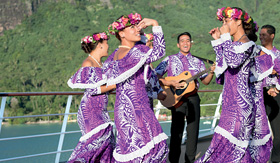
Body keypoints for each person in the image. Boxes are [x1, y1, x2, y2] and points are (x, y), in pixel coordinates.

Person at [196, 7, 273, 162]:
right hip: (229, 103)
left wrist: (224, 38)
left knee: (232, 149)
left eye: (226, 21)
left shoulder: (248, 44)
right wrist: (218, 43)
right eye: (222, 21)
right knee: (228, 150)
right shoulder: (233, 45)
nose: (223, 24)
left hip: (241, 106)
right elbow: (221, 74)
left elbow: (233, 61)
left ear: (238, 22)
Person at [103, 13, 169, 162]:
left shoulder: (112, 57)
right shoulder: (136, 53)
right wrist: (154, 22)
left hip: (121, 112)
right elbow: (160, 51)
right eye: (132, 27)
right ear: (121, 33)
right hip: (138, 108)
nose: (137, 29)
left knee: (132, 151)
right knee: (154, 151)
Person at [155, 32, 216, 163]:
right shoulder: (169, 60)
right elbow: (156, 75)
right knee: (176, 132)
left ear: (191, 43)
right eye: (182, 41)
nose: (185, 43)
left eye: (188, 40)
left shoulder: (198, 61)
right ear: (178, 44)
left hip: (193, 98)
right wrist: (169, 83)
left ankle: (190, 161)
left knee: (193, 132)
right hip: (176, 99)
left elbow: (205, 81)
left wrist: (211, 72)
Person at [67, 32, 116, 163]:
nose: (108, 46)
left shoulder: (102, 64)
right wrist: (114, 85)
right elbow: (93, 90)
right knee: (91, 145)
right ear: (99, 45)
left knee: (107, 144)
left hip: (102, 110)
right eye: (106, 43)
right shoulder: (88, 63)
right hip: (90, 111)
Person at [260, 24, 280, 163]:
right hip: (258, 94)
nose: (261, 37)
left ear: (272, 36)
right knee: (257, 131)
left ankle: (275, 160)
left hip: (276, 94)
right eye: (260, 35)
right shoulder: (256, 53)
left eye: (264, 35)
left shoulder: (278, 54)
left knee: (278, 131)